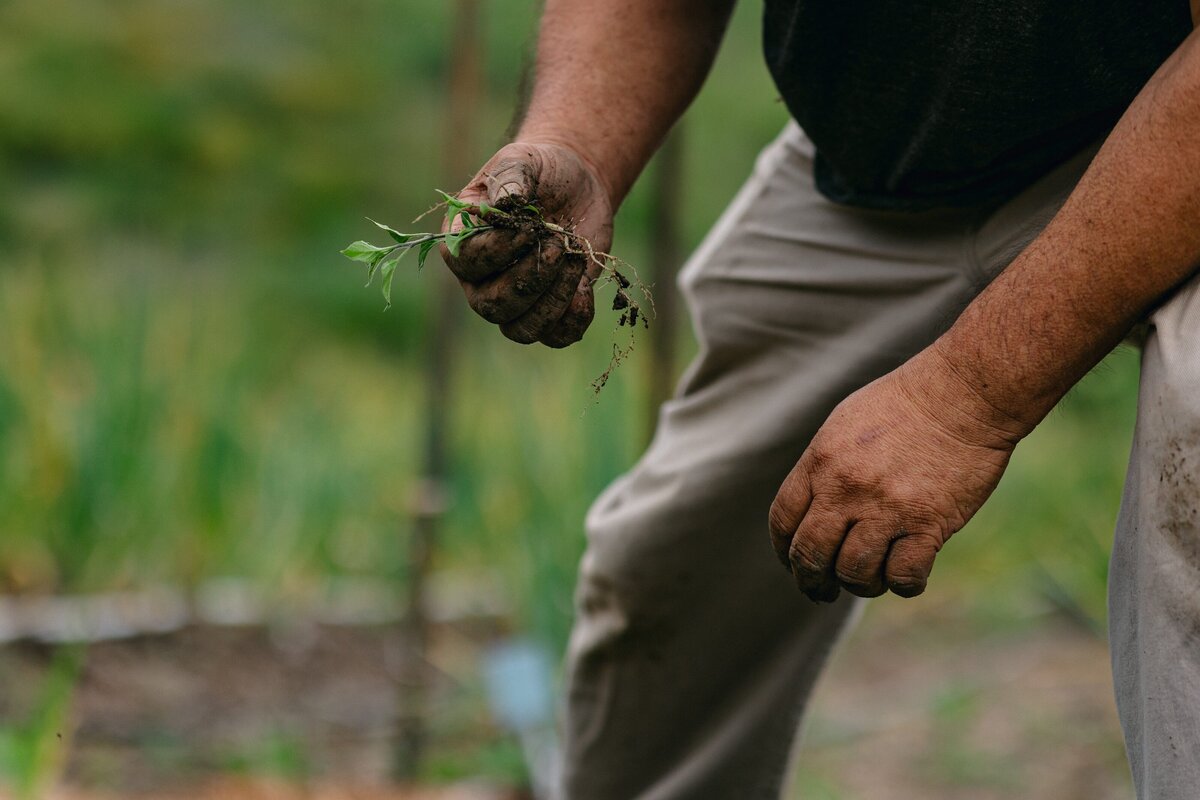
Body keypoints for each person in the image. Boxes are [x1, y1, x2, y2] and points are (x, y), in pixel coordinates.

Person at [442, 1, 1200, 797]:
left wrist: (962, 400)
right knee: (675, 562)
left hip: (1167, 140)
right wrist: (579, 143)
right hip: (884, 158)